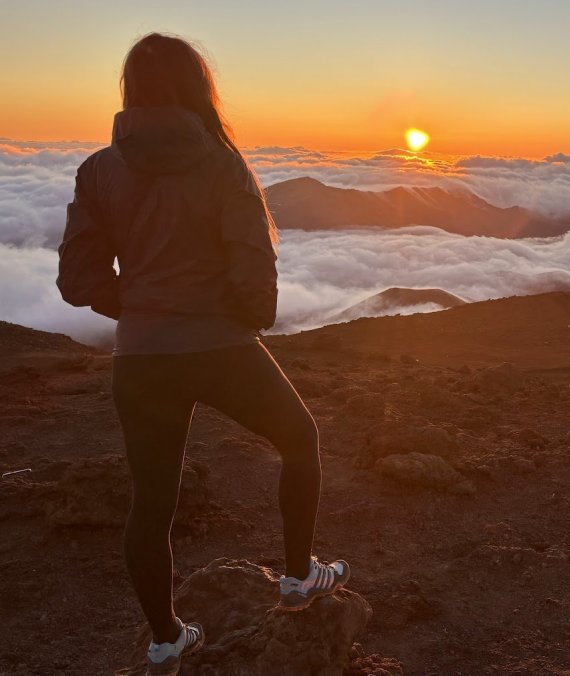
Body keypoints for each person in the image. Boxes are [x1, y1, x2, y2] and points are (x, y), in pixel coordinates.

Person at [56, 32, 349, 676]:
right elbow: (254, 268)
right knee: (300, 437)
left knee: (151, 502)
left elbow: (76, 280)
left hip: (140, 360)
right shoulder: (223, 164)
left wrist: (140, 312)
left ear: (129, 89)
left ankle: (165, 643)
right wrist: (240, 318)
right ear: (197, 86)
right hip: (220, 346)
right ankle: (299, 577)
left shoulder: (99, 170)